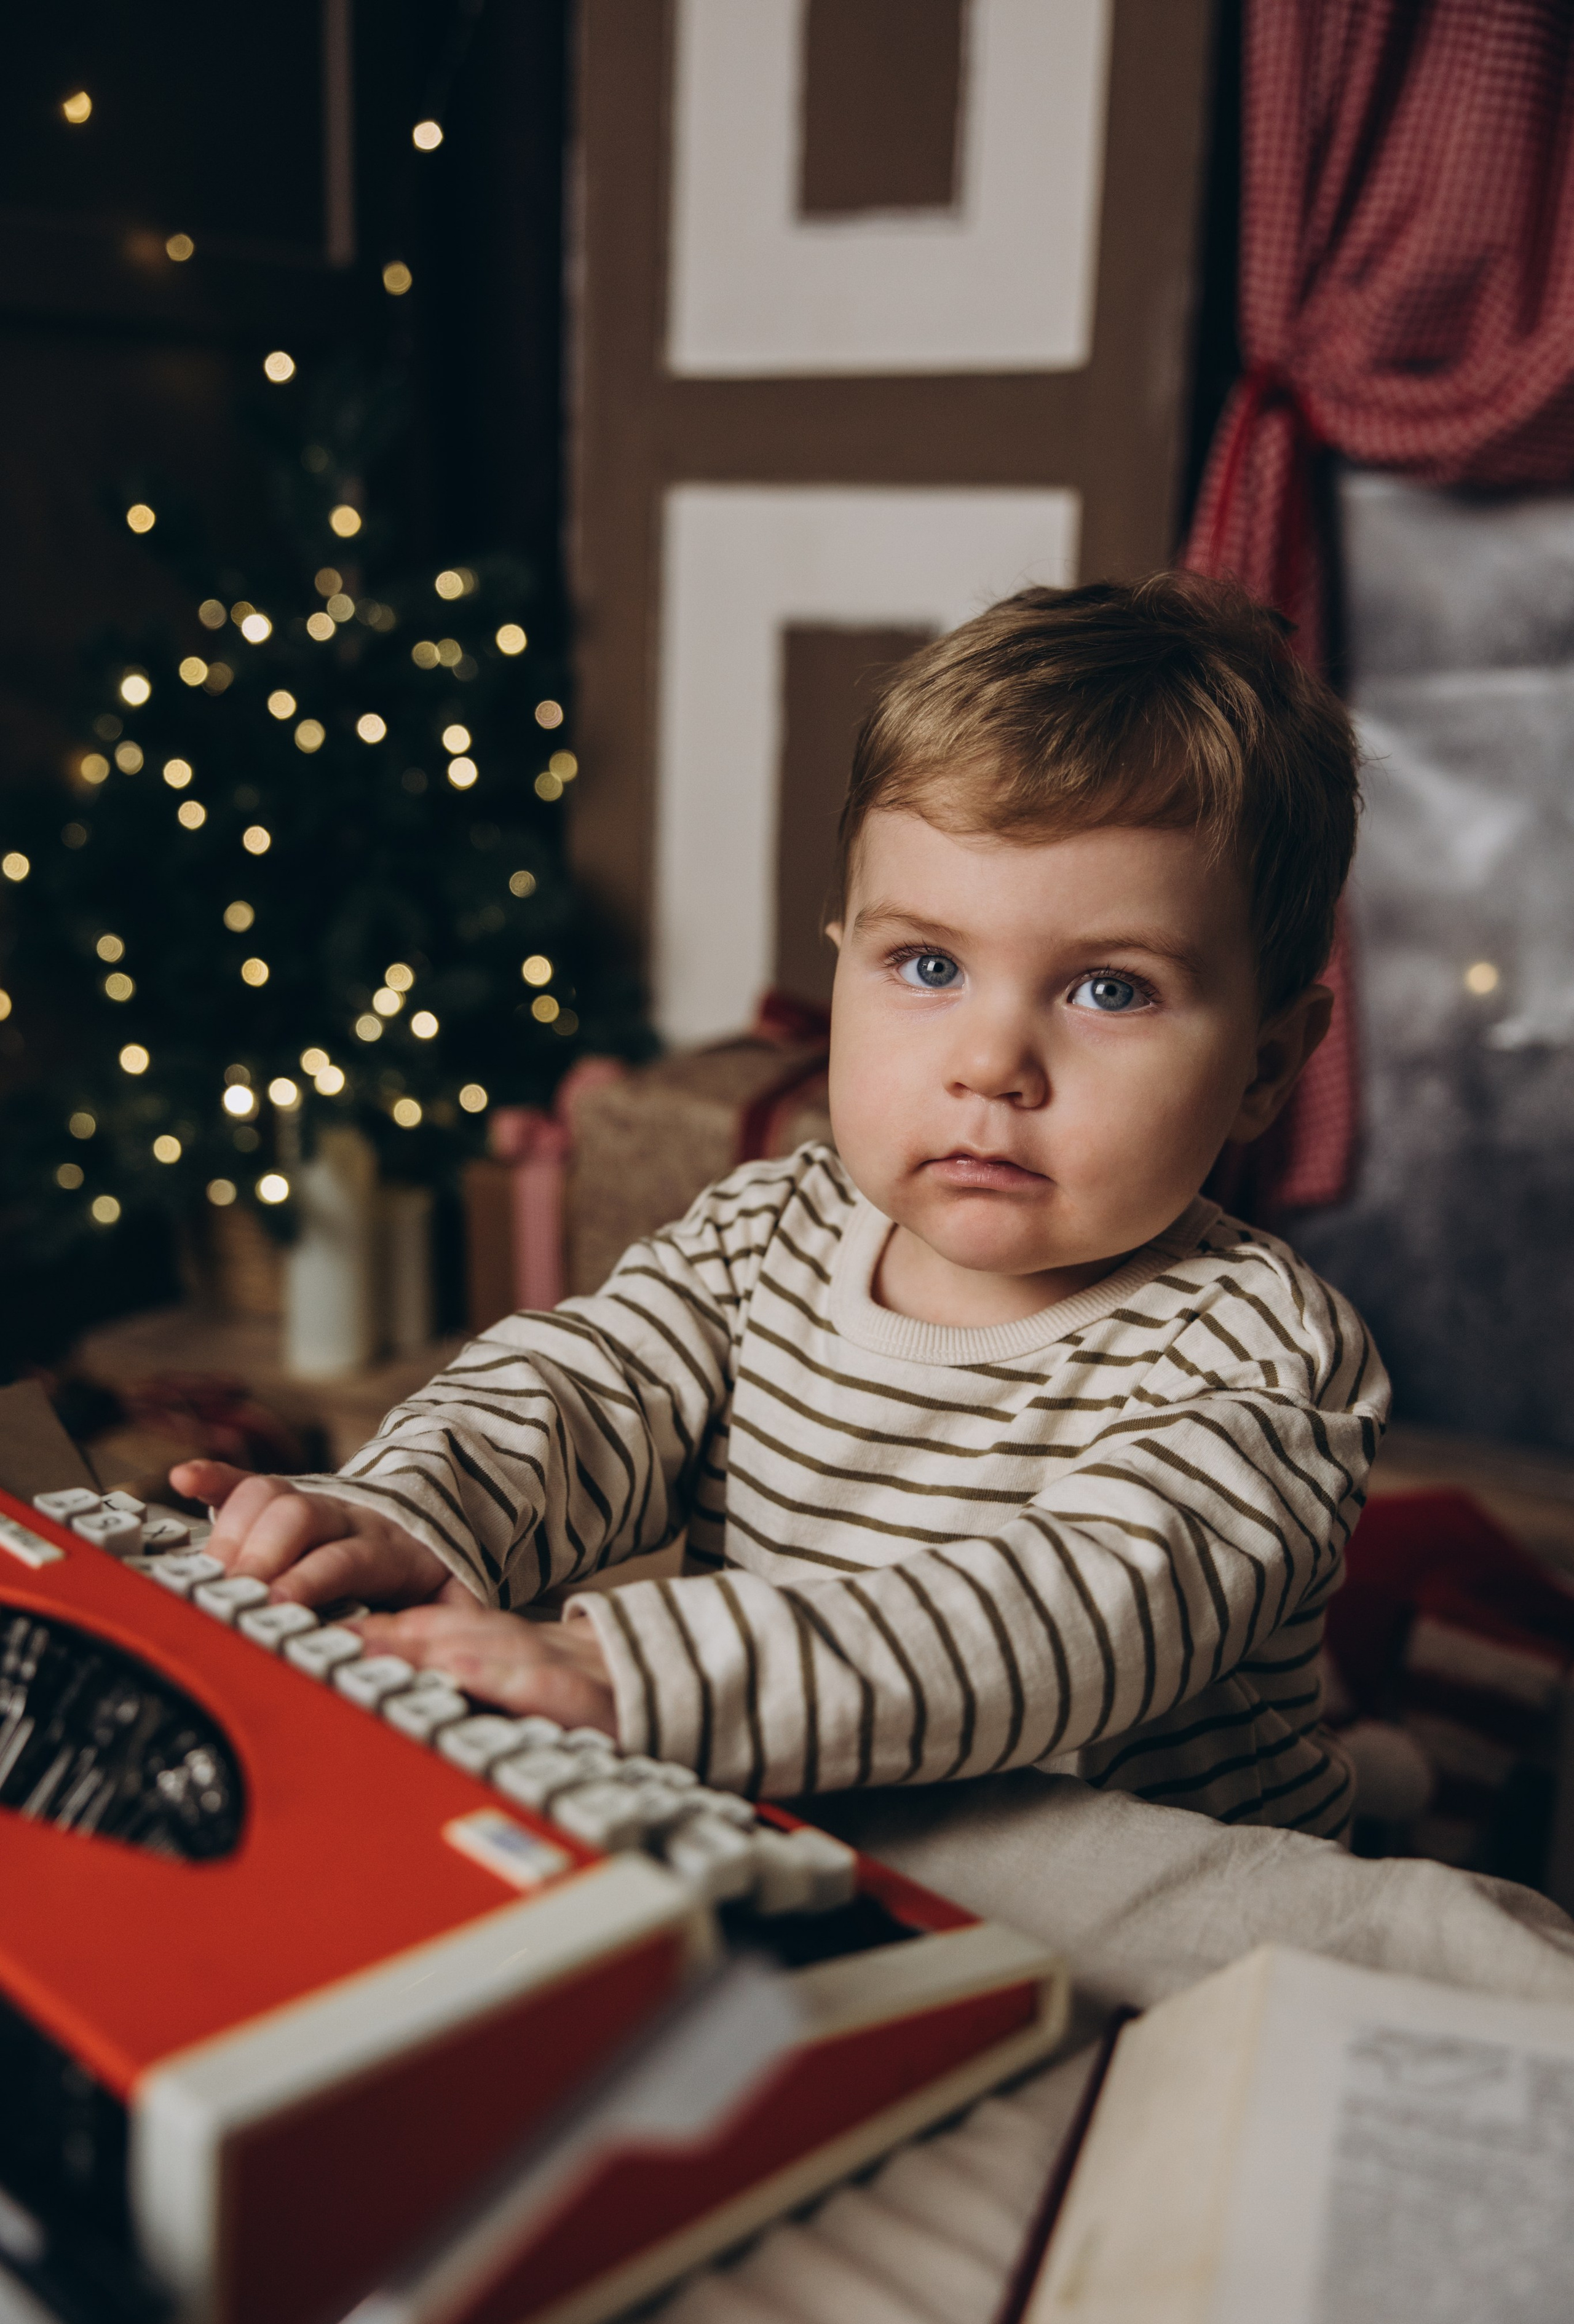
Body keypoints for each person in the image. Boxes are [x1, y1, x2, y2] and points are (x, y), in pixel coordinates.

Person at [173, 573, 1388, 1837]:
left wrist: (631, 1668)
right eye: (927, 966)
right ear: (840, 959)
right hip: (798, 1817)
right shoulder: (768, 1233)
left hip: (1139, 1880)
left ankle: (1386, 1768)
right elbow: (580, 1391)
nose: (990, 1064)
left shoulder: (1261, 1356)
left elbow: (1080, 1613)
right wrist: (408, 1509)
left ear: (1263, 1061)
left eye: (1108, 991)